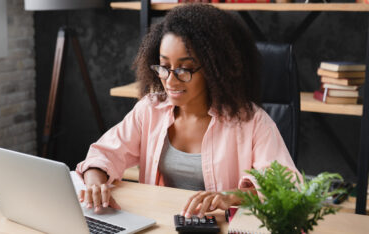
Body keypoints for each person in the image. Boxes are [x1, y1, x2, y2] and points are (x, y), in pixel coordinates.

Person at [76, 3, 300, 219]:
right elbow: (102, 155)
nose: (170, 81)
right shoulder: (150, 110)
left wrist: (232, 197)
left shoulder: (252, 122)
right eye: (164, 67)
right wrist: (95, 184)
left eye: (185, 69)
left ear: (215, 69)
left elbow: (289, 189)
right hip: (160, 223)